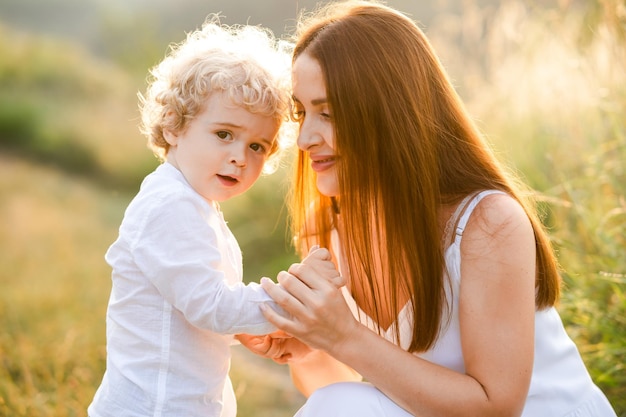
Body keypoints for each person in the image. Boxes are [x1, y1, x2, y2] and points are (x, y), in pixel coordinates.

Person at [237, 1, 618, 416]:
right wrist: (310, 346)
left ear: (389, 113)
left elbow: (497, 407)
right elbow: (344, 392)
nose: (306, 137)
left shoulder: (485, 223)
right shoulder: (326, 228)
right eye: (301, 112)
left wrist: (345, 336)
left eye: (327, 113)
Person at [87, 18, 339, 417]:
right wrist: (294, 302)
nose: (240, 156)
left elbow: (196, 308)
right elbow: (212, 306)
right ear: (174, 124)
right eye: (224, 134)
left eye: (257, 145)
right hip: (154, 407)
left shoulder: (194, 204)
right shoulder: (169, 206)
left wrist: (254, 327)